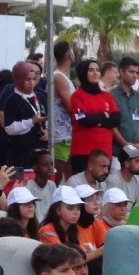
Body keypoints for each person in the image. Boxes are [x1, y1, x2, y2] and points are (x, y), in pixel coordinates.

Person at [69, 59, 121, 175]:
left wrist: (97, 121)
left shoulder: (106, 96)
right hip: (83, 152)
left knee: (102, 188)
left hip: (105, 152)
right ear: (83, 73)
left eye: (97, 70)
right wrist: (104, 115)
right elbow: (83, 120)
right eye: (91, 70)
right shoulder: (77, 96)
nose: (95, 73)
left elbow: (117, 119)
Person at [2, 62, 48, 170]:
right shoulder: (12, 100)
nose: (31, 83)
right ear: (18, 79)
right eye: (27, 80)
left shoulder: (41, 96)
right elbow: (9, 128)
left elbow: (48, 118)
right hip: (20, 153)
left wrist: (47, 131)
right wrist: (31, 121)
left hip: (40, 151)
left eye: (33, 79)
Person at [110, 57, 139, 164]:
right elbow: (111, 125)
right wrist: (124, 143)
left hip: (136, 151)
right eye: (131, 72)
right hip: (117, 152)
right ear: (121, 71)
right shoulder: (111, 95)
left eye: (137, 72)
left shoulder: (138, 96)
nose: (135, 75)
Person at [51, 42, 76, 180]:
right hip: (61, 136)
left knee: (69, 177)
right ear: (68, 54)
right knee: (60, 178)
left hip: (68, 134)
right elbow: (71, 107)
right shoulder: (58, 77)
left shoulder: (65, 77)